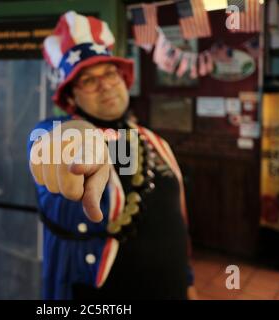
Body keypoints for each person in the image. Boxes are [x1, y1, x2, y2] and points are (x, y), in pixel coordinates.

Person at [28, 11, 197, 300]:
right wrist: (72, 135)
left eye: (109, 73)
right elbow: (57, 139)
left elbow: (178, 221)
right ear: (71, 98)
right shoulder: (66, 138)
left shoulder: (153, 141)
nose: (105, 84)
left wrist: (189, 282)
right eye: (89, 80)